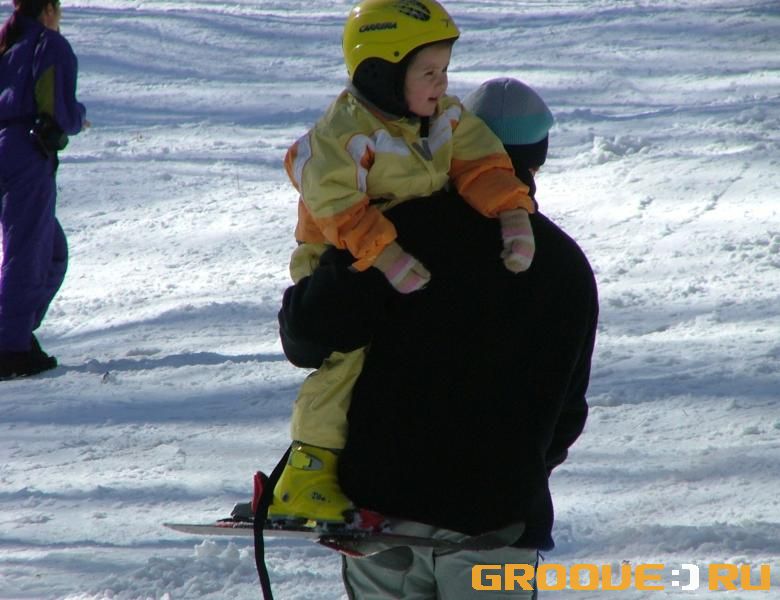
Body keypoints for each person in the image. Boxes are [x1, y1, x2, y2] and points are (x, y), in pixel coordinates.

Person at [277, 78, 598, 598]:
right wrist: (508, 470)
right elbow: (568, 414)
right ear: (535, 163)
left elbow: (308, 339)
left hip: (384, 519)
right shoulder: (564, 263)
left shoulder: (393, 233)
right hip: (498, 520)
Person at [271, 0, 537, 525]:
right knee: (348, 357)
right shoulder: (344, 134)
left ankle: (381, 467)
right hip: (340, 257)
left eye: (445, 70)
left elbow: (482, 163)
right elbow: (337, 205)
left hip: (402, 259)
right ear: (382, 73)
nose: (443, 84)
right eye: (429, 72)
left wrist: (512, 215)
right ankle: (307, 469)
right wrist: (386, 255)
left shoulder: (444, 119)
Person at [0, 0, 87, 380]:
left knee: (51, 251)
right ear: (49, 10)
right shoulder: (47, 45)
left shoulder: (8, 44)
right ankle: (10, 348)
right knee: (27, 252)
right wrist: (78, 117)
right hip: (24, 155)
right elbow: (59, 110)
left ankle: (14, 330)